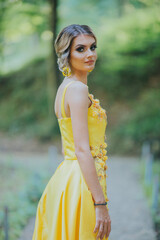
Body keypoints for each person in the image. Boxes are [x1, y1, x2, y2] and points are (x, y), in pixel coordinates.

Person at [32, 24, 111, 240]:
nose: (90, 54)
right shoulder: (77, 89)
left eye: (92, 47)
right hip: (82, 182)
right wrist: (100, 203)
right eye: (81, 49)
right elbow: (81, 149)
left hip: (68, 176)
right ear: (66, 54)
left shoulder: (65, 88)